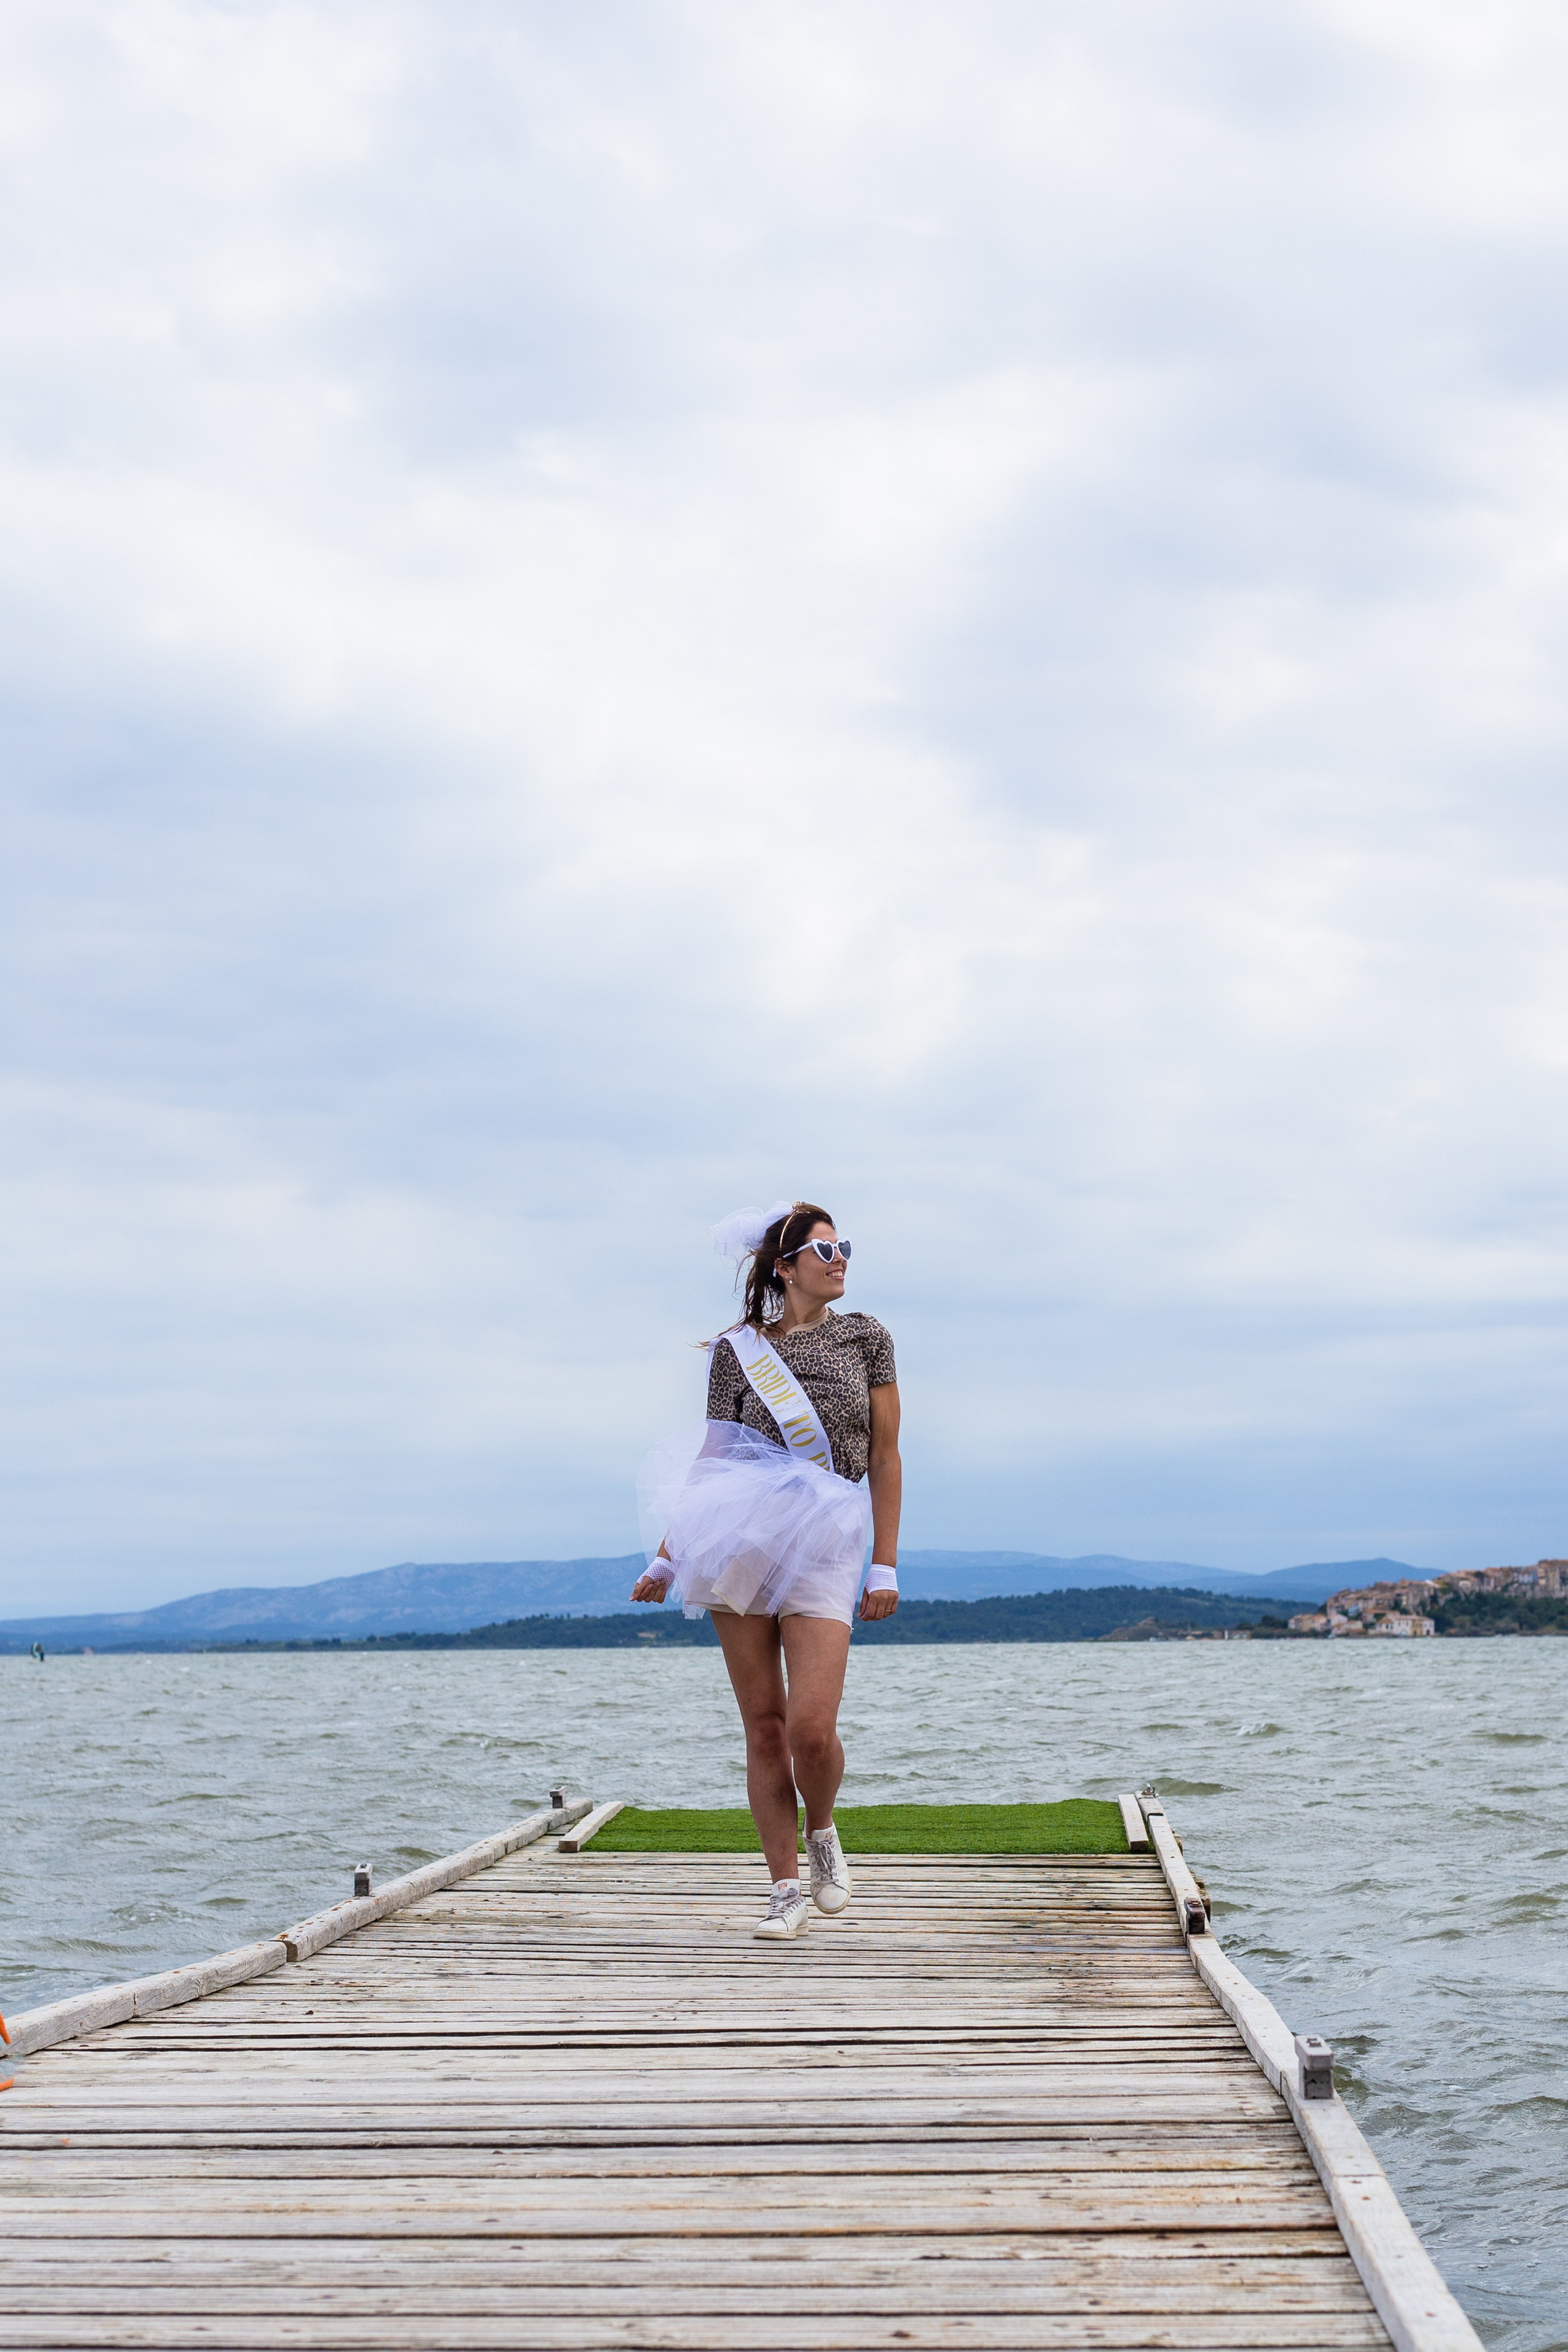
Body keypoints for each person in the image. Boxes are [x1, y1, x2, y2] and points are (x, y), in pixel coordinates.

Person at [632, 1199, 901, 1941]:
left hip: (827, 1541)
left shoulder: (867, 1338)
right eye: (823, 1249)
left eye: (843, 1245)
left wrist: (885, 1565)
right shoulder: (737, 1351)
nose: (839, 1257)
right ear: (783, 1268)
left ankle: (823, 1831)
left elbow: (884, 1456)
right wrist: (668, 1552)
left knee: (812, 1730)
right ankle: (783, 1887)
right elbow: (715, 1455)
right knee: (764, 1728)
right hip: (739, 1539)